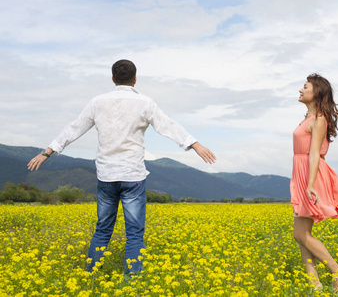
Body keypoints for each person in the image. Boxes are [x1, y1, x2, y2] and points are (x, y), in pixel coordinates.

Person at [27, 59, 216, 274]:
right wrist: (195, 144)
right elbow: (168, 125)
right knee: (135, 233)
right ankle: (132, 282)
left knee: (102, 230)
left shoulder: (98, 102)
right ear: (135, 79)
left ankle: (91, 276)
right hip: (133, 176)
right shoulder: (145, 103)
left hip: (107, 176)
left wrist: (47, 152)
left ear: (113, 79)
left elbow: (74, 128)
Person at [290, 73, 338, 292]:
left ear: (316, 93)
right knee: (302, 235)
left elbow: (315, 153)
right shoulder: (307, 119)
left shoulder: (318, 119)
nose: (300, 90)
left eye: (305, 86)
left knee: (300, 234)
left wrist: (309, 184)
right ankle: (314, 284)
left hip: (311, 176)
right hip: (302, 174)